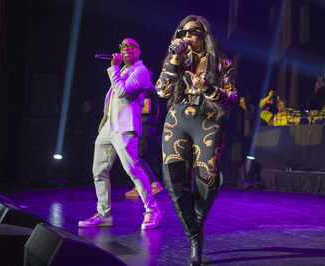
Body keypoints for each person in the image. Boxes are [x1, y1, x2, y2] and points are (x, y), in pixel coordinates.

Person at [156, 15, 237, 265]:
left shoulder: (221, 62)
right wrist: (174, 61)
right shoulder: (178, 59)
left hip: (207, 121)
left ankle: (197, 223)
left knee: (208, 180)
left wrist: (208, 88)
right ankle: (194, 238)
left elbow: (232, 97)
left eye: (191, 32)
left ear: (203, 33)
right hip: (177, 119)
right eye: (182, 33)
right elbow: (161, 91)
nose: (186, 37)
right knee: (174, 179)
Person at [78, 38, 162, 230]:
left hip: (125, 126)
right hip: (109, 126)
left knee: (133, 169)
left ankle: (152, 209)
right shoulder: (123, 70)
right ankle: (104, 214)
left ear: (138, 51)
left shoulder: (141, 71)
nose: (126, 49)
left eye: (131, 46)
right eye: (123, 47)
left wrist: (113, 68)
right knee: (98, 171)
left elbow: (122, 91)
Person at [125, 71, 164, 198]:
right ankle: (140, 187)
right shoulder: (154, 90)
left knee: (138, 156)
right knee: (144, 157)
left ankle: (153, 184)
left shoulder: (146, 90)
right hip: (151, 125)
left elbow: (147, 108)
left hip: (144, 125)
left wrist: (132, 108)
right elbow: (156, 112)